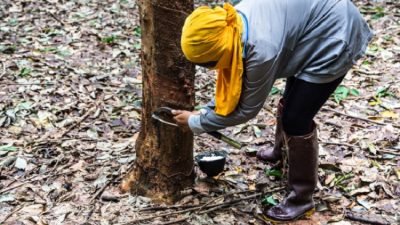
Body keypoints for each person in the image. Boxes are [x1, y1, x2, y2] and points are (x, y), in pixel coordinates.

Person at [172, 0, 373, 221]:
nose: (210, 69)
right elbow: (235, 85)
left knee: (296, 119)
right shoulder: (230, 24)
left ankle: (301, 198)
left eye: (209, 63)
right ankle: (281, 151)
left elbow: (247, 109)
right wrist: (204, 112)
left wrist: (196, 122)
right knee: (292, 100)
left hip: (335, 34)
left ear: (221, 48)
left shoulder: (261, 48)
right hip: (310, 26)